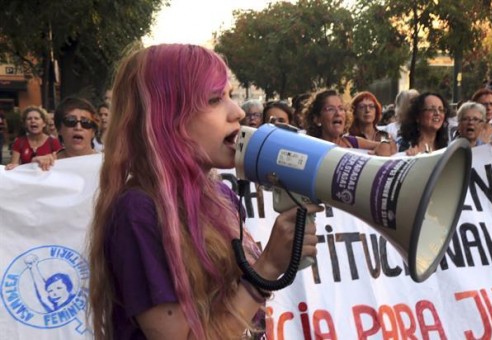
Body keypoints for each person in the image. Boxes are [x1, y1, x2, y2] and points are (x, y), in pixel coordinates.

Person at [88, 44, 322, 339]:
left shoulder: (222, 196)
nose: (237, 112)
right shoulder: (139, 212)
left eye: (230, 96)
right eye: (214, 99)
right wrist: (267, 267)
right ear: (167, 119)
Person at [303, 89, 395, 155]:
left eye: (341, 108)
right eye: (330, 109)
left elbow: (391, 145)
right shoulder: (310, 149)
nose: (338, 113)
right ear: (317, 119)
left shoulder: (352, 142)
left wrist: (385, 145)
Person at [6, 106, 62, 171]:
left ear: (44, 123)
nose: (33, 121)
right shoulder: (19, 142)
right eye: (29, 119)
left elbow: (60, 165)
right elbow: (13, 166)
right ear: (25, 124)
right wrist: (14, 166)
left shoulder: (53, 142)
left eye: (36, 118)